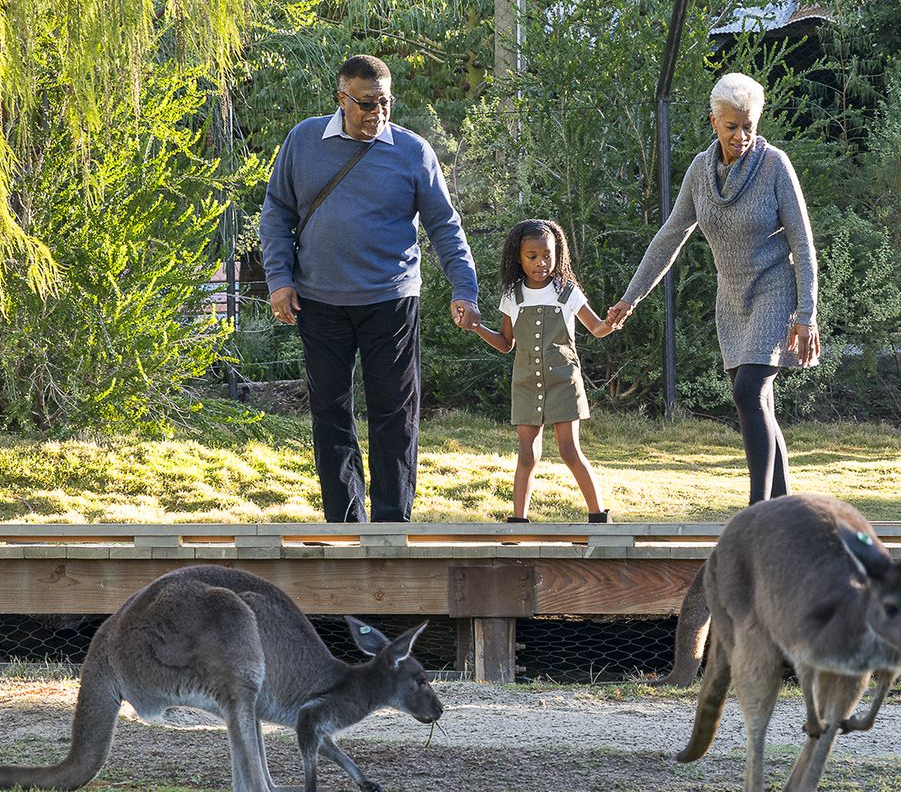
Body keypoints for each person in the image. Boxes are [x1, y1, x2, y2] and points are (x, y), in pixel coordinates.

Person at [258, 54, 482, 522]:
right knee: (331, 414)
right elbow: (276, 213)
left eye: (385, 103)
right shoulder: (303, 141)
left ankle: (390, 523)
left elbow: (445, 225)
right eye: (366, 103)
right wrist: (279, 281)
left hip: (391, 300)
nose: (378, 113)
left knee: (394, 415)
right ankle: (344, 523)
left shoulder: (413, 151)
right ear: (341, 99)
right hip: (319, 301)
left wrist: (465, 288)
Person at [604, 72, 821, 505]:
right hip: (732, 298)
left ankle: (757, 511)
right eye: (731, 127)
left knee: (747, 391)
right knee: (760, 404)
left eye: (749, 127)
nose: (741, 136)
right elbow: (670, 236)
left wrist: (806, 314)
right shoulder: (700, 174)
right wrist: (631, 297)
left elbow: (803, 241)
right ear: (713, 123)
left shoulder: (775, 164)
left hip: (775, 292)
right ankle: (784, 511)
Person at [462, 219, 617, 523]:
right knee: (526, 455)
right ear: (518, 259)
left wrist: (613, 320)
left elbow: (597, 328)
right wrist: (477, 327)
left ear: (557, 254)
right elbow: (506, 343)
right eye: (532, 256)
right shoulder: (512, 295)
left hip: (563, 381)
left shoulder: (567, 291)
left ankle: (599, 517)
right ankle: (518, 522)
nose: (541, 263)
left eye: (547, 255)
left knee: (569, 451)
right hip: (525, 384)